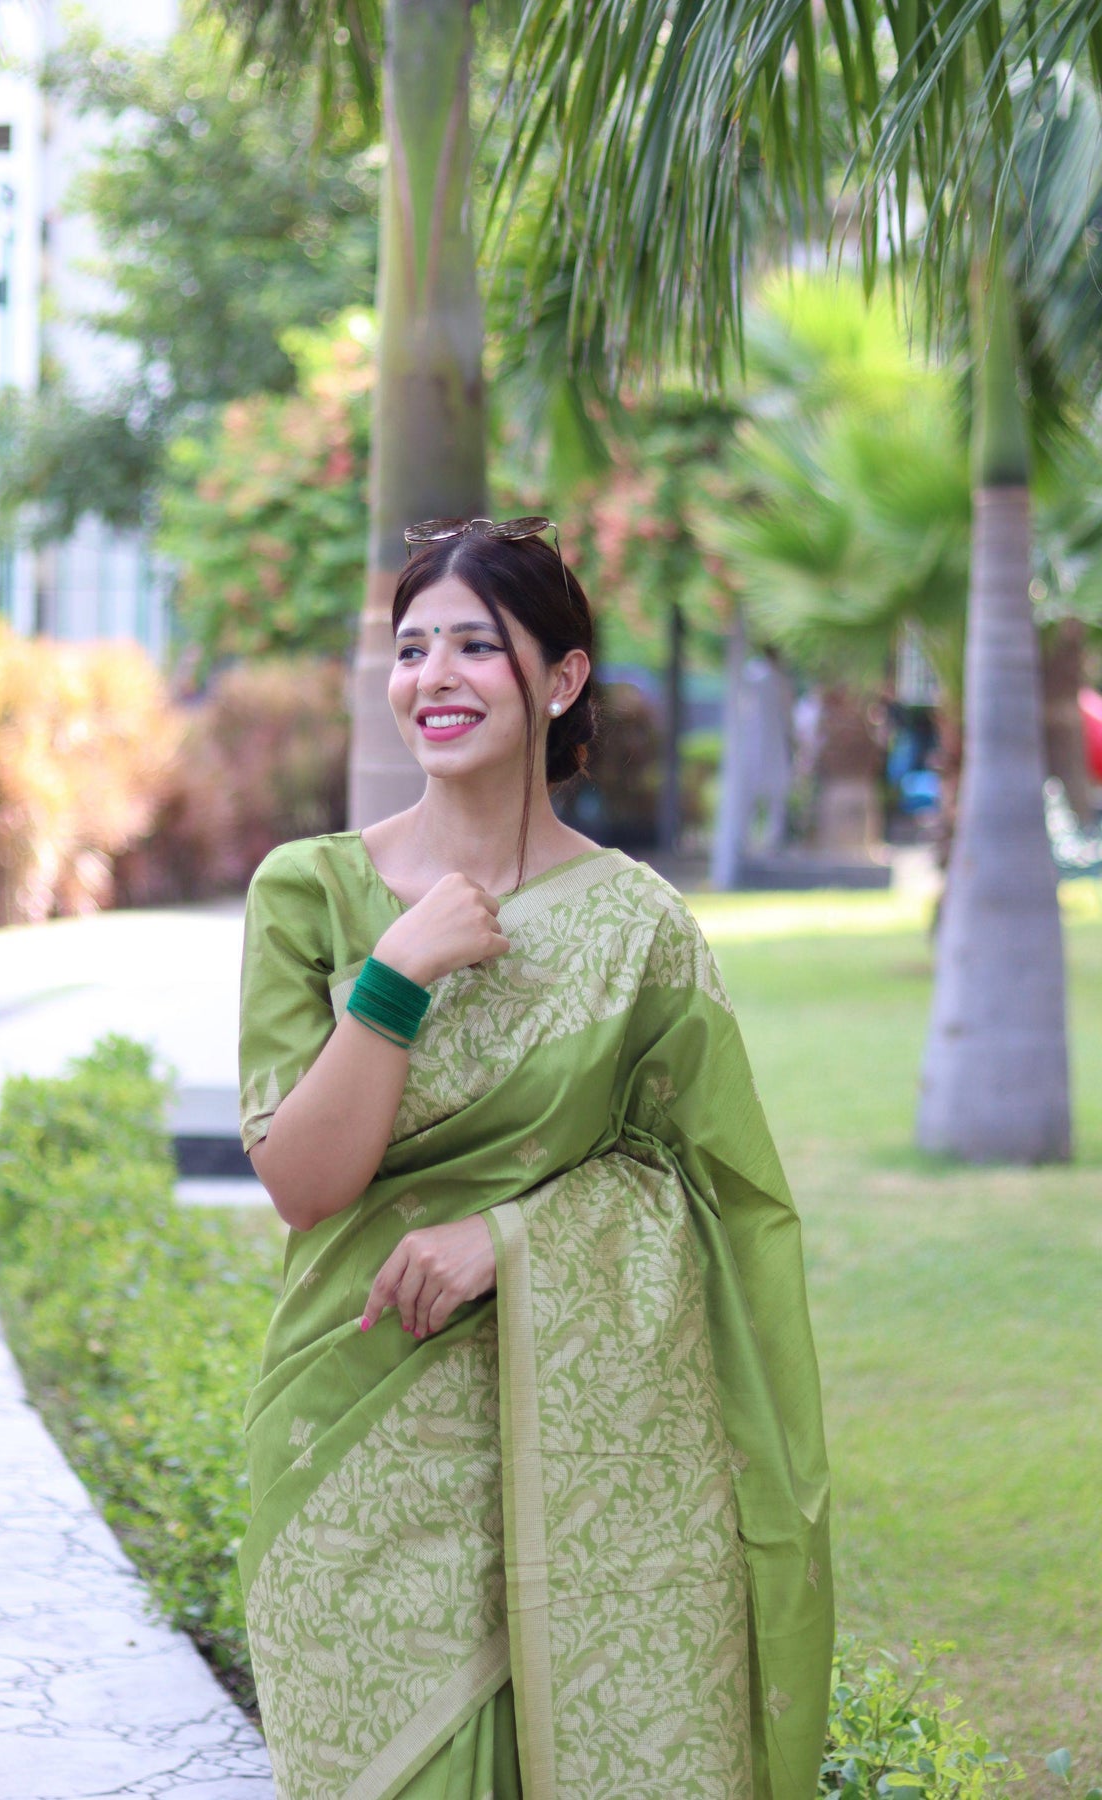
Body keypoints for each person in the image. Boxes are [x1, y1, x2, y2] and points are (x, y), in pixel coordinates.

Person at [236, 516, 834, 1800]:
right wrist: (396, 975)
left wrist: (507, 1239)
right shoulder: (314, 894)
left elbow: (718, 1199)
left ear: (559, 679)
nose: (431, 678)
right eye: (410, 649)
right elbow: (301, 1181)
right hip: (351, 1432)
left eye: (473, 647)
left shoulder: (638, 928)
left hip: (587, 1475)